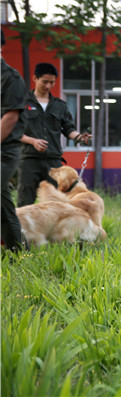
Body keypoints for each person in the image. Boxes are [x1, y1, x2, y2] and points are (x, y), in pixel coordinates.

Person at [17, 62, 91, 206]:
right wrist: (32, 141)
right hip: (29, 160)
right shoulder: (21, 103)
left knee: (56, 203)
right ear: (34, 79)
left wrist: (79, 137)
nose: (48, 86)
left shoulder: (60, 105)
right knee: (25, 201)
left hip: (53, 162)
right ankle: (23, 229)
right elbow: (12, 131)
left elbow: (68, 129)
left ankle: (51, 229)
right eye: (44, 82)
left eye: (52, 83)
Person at [1, 31, 28, 251]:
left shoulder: (11, 78)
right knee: (2, 201)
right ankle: (18, 250)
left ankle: (18, 251)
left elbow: (10, 118)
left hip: (5, 149)